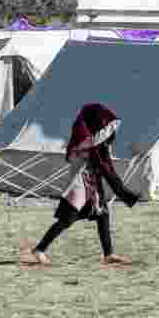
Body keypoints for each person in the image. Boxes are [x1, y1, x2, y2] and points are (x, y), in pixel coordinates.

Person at [30, 103, 140, 266]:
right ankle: (39, 249)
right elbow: (95, 157)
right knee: (67, 220)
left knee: (103, 215)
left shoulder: (95, 145)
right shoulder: (83, 142)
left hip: (91, 186)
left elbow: (103, 161)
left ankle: (108, 254)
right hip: (80, 186)